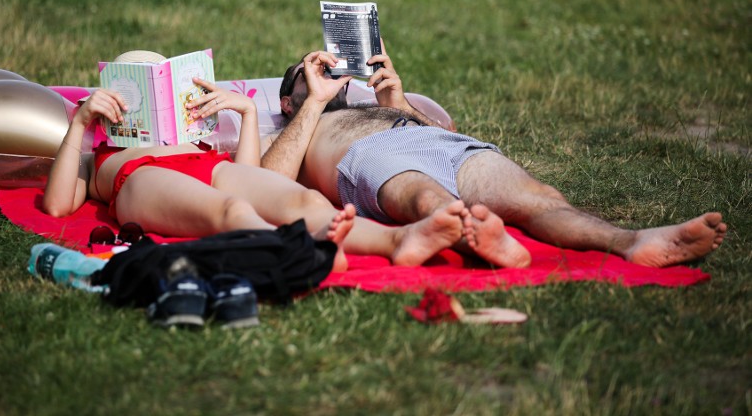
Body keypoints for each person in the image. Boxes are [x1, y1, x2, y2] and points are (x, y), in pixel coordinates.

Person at [41, 53, 517, 272]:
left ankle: (401, 240)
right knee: (230, 214)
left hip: (206, 166)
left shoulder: (205, 141)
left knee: (305, 201)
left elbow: (257, 174)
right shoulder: (102, 151)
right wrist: (82, 122)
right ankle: (303, 257)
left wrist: (246, 111)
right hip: (141, 180)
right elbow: (59, 206)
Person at [260, 48, 728, 270]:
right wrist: (315, 100)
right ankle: (480, 239)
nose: (324, 75)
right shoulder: (299, 125)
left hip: (445, 146)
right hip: (369, 157)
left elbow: (441, 130)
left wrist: (397, 100)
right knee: (430, 201)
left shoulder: (372, 104)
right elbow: (269, 181)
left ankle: (631, 242)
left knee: (540, 198)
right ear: (287, 99)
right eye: (307, 72)